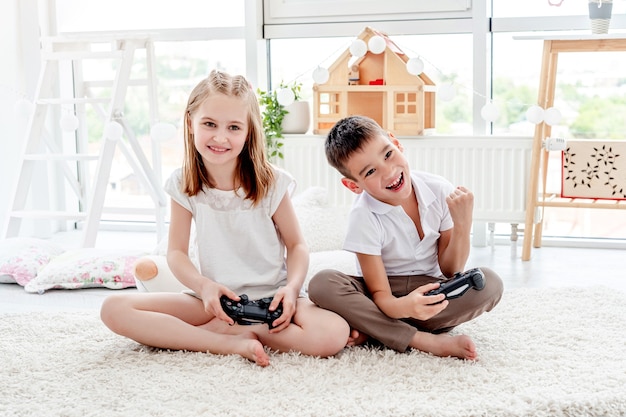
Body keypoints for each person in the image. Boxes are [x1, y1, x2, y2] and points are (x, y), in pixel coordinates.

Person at [100, 70, 350, 367]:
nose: (220, 137)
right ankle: (224, 342)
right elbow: (177, 252)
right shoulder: (183, 184)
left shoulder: (272, 182)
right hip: (211, 302)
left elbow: (297, 245)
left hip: (272, 300)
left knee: (333, 334)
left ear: (249, 132)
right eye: (209, 124)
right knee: (113, 308)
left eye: (233, 127)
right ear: (191, 122)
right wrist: (204, 286)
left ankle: (236, 331)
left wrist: (292, 289)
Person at [307, 115, 503, 360]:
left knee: (490, 282)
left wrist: (463, 224)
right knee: (322, 283)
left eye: (387, 154)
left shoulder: (438, 189)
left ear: (396, 143)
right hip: (384, 296)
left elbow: (451, 269)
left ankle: (375, 329)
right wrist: (405, 307)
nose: (389, 172)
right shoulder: (363, 215)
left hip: (431, 289)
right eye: (370, 171)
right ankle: (422, 339)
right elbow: (381, 296)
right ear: (353, 185)